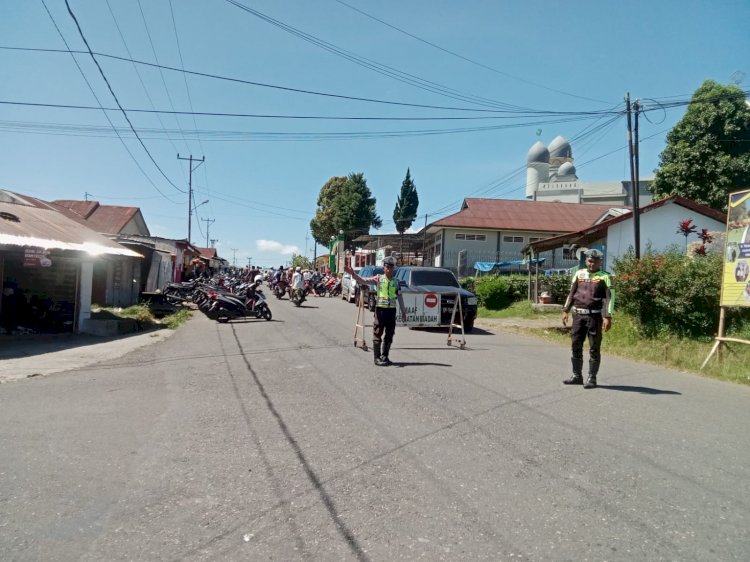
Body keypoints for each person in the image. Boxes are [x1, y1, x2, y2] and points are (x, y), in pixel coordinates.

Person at [561, 249, 614, 388]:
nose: (592, 264)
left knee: (594, 347)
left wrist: (607, 316)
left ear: (600, 262)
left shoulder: (605, 277)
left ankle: (592, 378)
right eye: (590, 261)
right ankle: (577, 376)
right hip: (578, 316)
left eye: (595, 261)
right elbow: (572, 293)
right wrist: (565, 310)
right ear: (586, 261)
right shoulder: (579, 274)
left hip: (594, 316)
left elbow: (609, 298)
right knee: (575, 344)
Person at [345, 256, 405, 366]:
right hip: (380, 311)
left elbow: (400, 297)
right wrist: (353, 274)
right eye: (387, 267)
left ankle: (384, 356)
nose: (389, 269)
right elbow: (364, 280)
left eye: (391, 267)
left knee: (390, 334)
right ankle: (376, 358)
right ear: (384, 268)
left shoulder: (396, 282)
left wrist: (404, 311)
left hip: (391, 311)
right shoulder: (378, 279)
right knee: (378, 332)